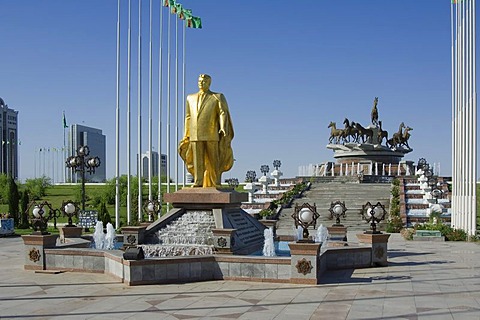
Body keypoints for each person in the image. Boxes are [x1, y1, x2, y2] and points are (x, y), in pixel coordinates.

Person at [178, 74, 234, 187]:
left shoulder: (217, 96)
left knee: (214, 159)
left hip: (212, 133)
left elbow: (222, 113)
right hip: (195, 134)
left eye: (204, 82)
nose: (201, 84)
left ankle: (215, 181)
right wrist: (186, 133)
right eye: (199, 81)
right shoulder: (190, 97)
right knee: (197, 160)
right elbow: (188, 117)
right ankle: (198, 181)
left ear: (209, 83)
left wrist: (223, 127)